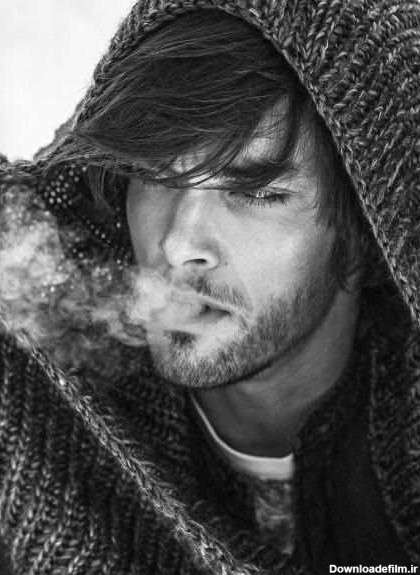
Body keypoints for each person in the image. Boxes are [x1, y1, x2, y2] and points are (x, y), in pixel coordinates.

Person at [1, 1, 420, 573]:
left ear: (366, 231)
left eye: (256, 193)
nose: (178, 243)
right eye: (154, 175)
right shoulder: (35, 414)